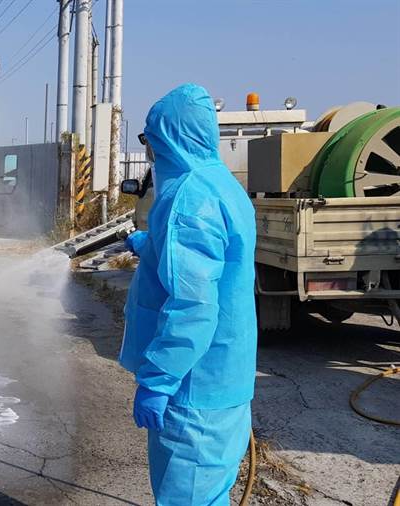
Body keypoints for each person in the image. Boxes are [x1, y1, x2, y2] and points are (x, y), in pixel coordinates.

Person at [120, 83, 257, 505]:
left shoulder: (189, 198)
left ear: (170, 137)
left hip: (193, 389)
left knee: (189, 497)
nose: (150, 151)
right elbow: (212, 266)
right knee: (210, 493)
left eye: (150, 139)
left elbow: (193, 307)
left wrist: (159, 380)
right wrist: (153, 246)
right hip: (223, 379)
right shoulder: (222, 185)